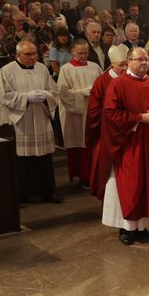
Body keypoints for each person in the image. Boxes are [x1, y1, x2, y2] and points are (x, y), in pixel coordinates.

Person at [100, 47, 149, 245]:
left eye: (146, 60)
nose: (144, 63)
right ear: (129, 62)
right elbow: (111, 114)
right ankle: (127, 229)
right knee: (132, 187)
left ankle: (144, 227)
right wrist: (139, 118)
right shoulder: (118, 84)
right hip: (130, 146)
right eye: (140, 59)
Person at [0, 40, 61, 205]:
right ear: (18, 55)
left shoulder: (42, 68)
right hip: (21, 121)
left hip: (40, 117)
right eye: (28, 54)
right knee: (22, 159)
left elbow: (54, 91)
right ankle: (23, 195)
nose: (33, 57)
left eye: (34, 53)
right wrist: (26, 98)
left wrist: (45, 96)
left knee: (44, 157)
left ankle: (48, 192)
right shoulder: (6, 71)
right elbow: (2, 96)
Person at [56, 38, 103, 188]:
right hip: (76, 114)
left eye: (86, 53)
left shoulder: (95, 67)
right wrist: (82, 93)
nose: (83, 56)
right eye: (80, 53)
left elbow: (103, 86)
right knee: (80, 144)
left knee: (94, 144)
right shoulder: (66, 69)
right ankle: (84, 176)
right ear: (73, 52)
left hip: (94, 111)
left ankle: (97, 175)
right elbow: (62, 93)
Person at [87, 45, 130, 196]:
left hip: (128, 131)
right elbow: (94, 111)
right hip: (107, 133)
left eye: (126, 64)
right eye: (121, 65)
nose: (125, 68)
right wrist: (114, 119)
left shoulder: (130, 79)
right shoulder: (102, 81)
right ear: (112, 65)